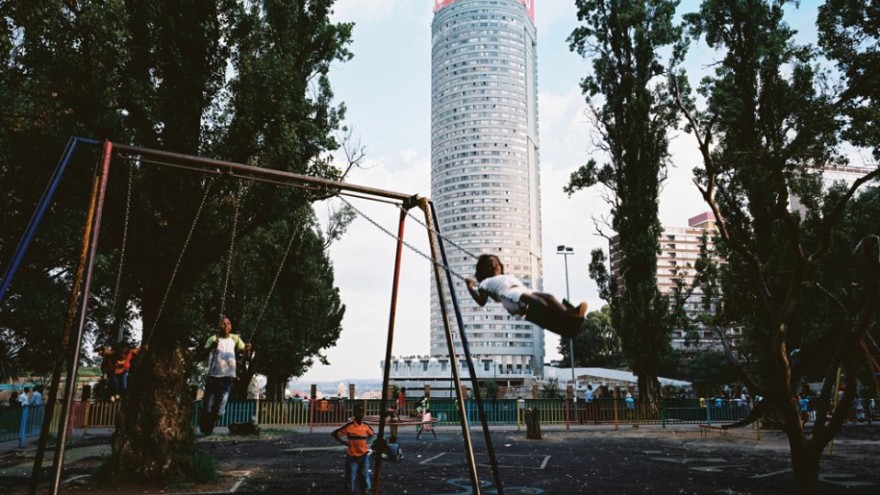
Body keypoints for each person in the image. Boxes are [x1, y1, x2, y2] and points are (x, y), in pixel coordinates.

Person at [465, 254, 587, 339]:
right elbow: (482, 301)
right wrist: (470, 288)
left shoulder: (505, 276)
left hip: (522, 291)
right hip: (509, 296)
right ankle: (563, 322)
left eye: (496, 264)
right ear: (483, 271)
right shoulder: (485, 282)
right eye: (489, 266)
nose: (493, 267)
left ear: (500, 266)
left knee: (548, 297)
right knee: (537, 302)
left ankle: (569, 314)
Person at [199, 316, 251, 435]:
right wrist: (212, 347)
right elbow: (202, 356)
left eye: (228, 324)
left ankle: (210, 425)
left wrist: (248, 350)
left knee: (220, 408)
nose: (226, 326)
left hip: (227, 378)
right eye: (223, 324)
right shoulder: (213, 339)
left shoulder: (235, 338)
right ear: (219, 327)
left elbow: (246, 357)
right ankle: (204, 426)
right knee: (208, 407)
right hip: (213, 377)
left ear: (231, 327)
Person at [332, 404, 374, 495]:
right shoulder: (349, 426)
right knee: (351, 476)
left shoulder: (366, 426)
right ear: (354, 413)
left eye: (362, 412)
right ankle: (350, 491)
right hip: (352, 456)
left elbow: (372, 434)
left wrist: (367, 443)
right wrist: (345, 443)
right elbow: (335, 434)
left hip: (364, 455)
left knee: (365, 474)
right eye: (358, 412)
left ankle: (366, 491)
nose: (360, 414)